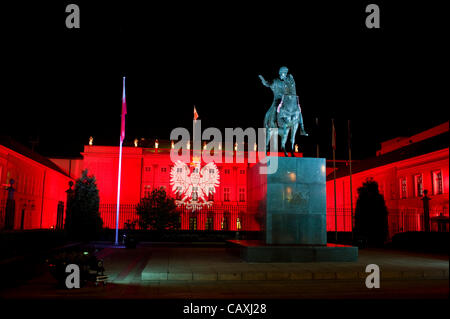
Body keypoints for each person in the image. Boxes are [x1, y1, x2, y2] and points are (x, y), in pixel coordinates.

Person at [259, 66, 307, 136]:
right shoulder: (275, 81)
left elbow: (292, 88)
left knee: (298, 109)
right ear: (281, 73)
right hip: (277, 100)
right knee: (271, 111)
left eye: (286, 73)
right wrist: (263, 80)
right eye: (284, 73)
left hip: (286, 100)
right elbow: (268, 84)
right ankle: (271, 124)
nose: (285, 75)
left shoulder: (287, 81)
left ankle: (302, 128)